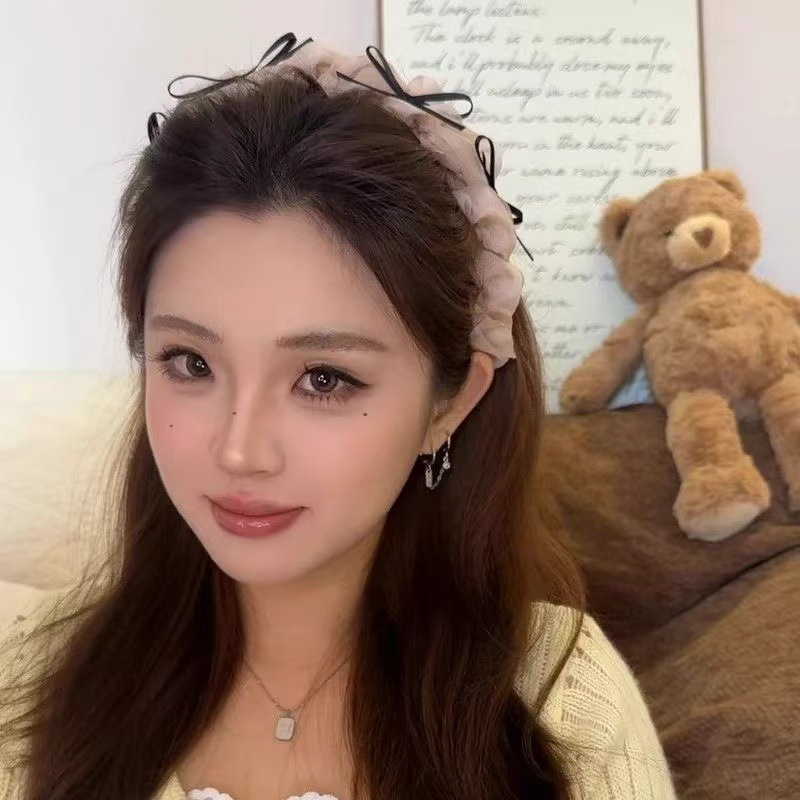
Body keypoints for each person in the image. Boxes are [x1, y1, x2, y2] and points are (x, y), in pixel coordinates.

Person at [0, 33, 677, 800]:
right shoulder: (29, 679)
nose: (240, 451)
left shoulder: (560, 697)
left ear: (451, 402)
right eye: (190, 363)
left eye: (323, 379)